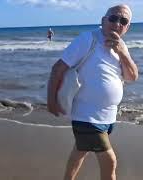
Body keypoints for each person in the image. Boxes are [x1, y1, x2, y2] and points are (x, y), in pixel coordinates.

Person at [47, 4, 138, 180]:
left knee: (80, 151)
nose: (117, 23)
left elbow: (132, 76)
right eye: (113, 18)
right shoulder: (88, 39)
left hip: (108, 117)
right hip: (87, 116)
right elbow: (57, 69)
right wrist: (51, 101)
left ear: (127, 27)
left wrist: (122, 53)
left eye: (123, 21)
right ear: (103, 20)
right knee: (109, 161)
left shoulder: (122, 46)